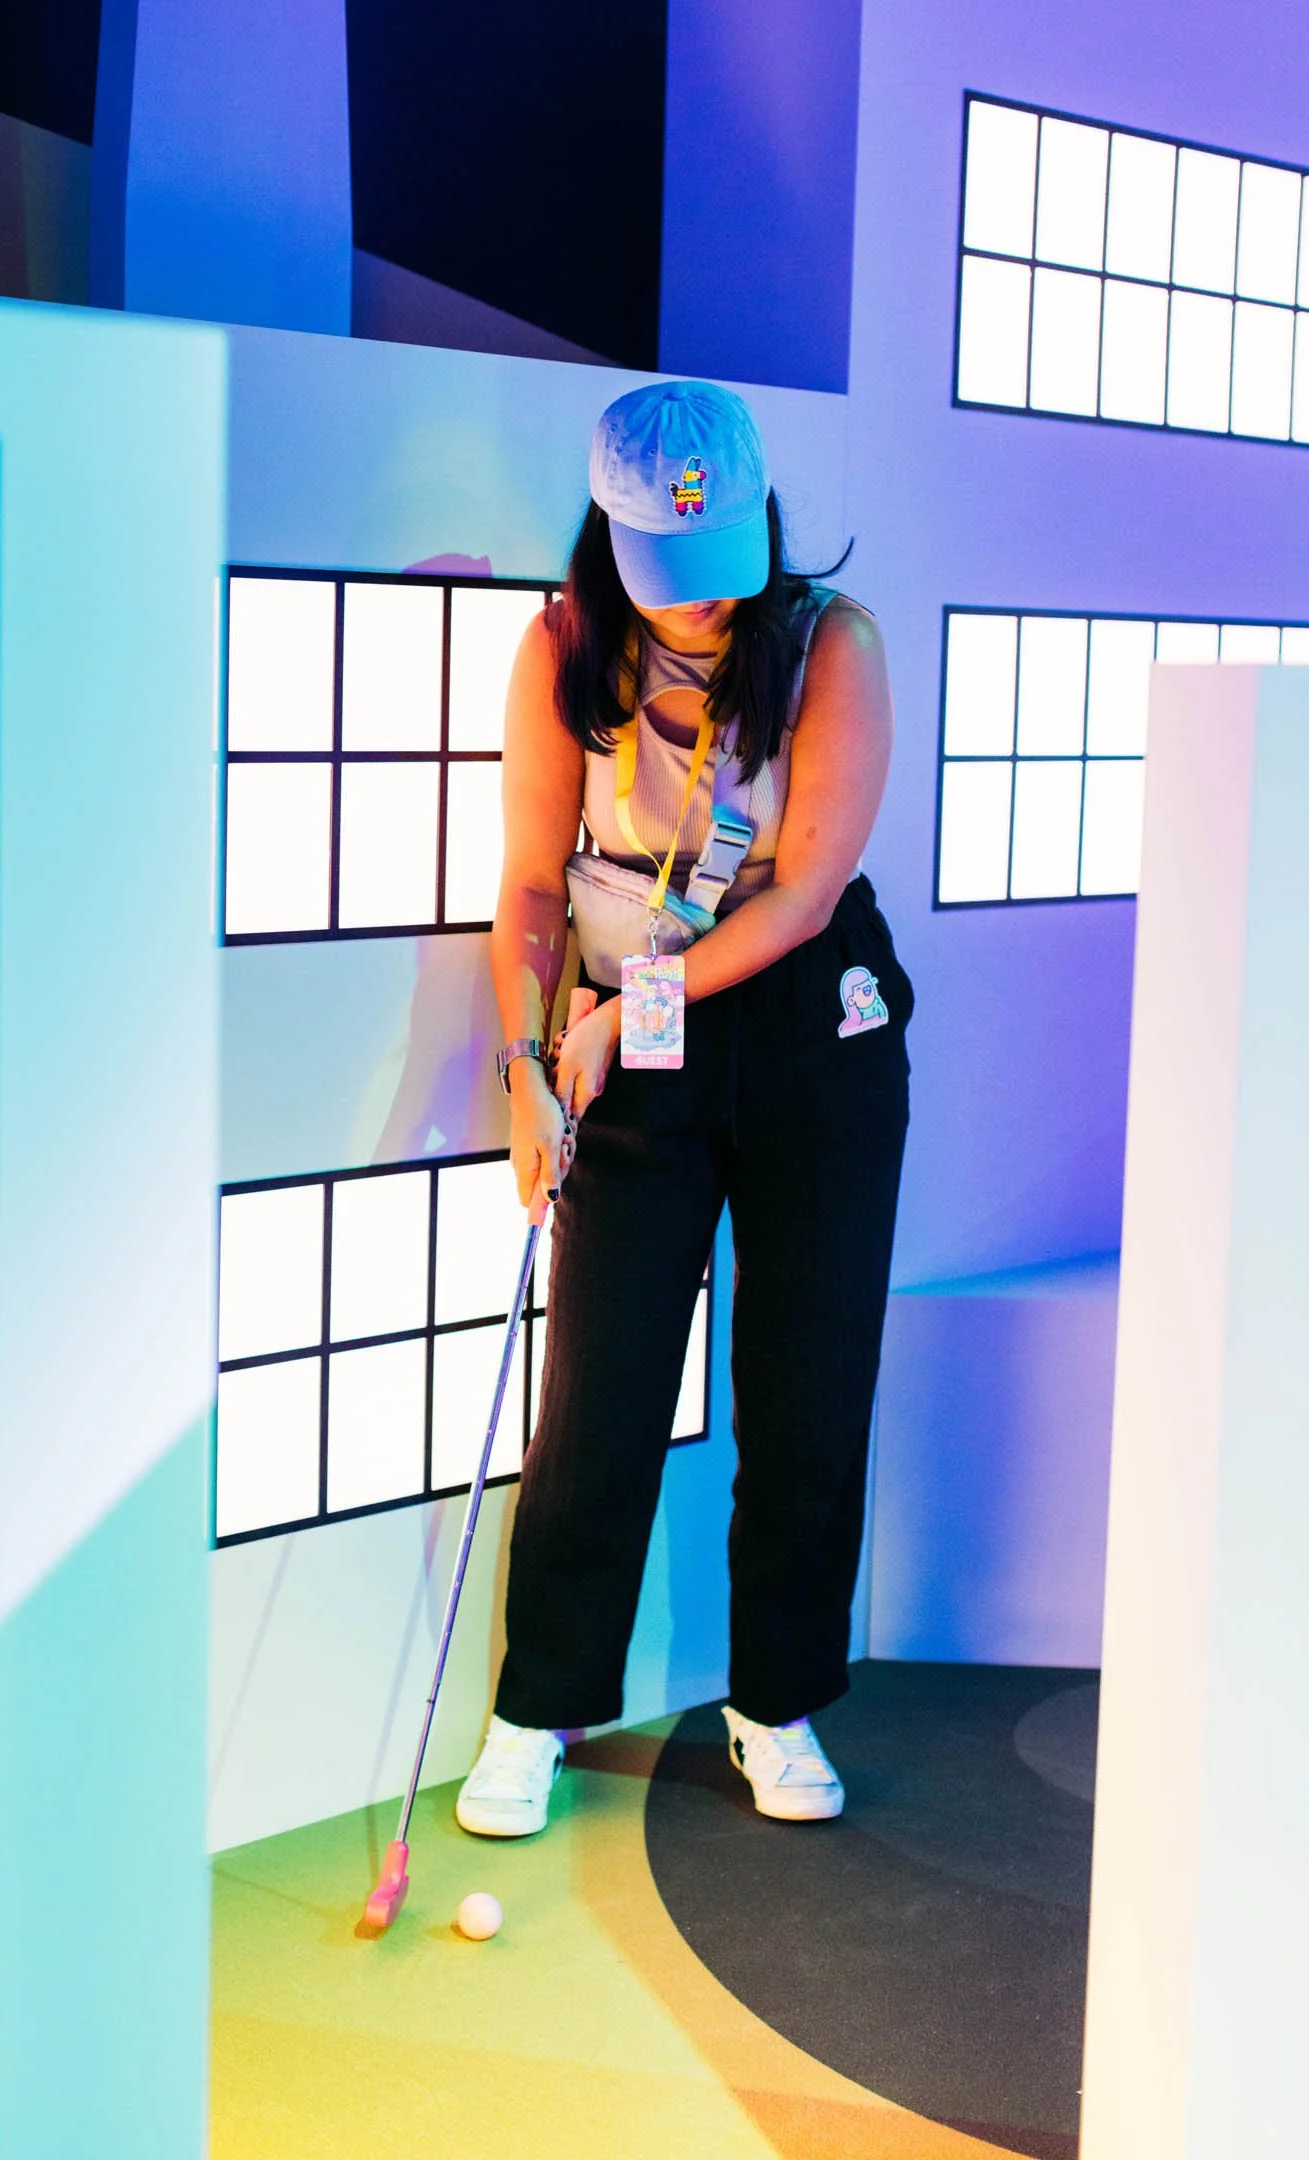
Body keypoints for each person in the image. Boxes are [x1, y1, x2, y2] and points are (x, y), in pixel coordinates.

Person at [456, 380, 913, 1837]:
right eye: (669, 573)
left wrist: (615, 1021)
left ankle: (772, 1704)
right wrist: (532, 1065)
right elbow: (533, 881)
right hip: (615, 1023)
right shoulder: (563, 645)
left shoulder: (831, 646)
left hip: (799, 1027)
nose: (702, 611)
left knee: (806, 1377)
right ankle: (540, 1708)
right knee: (600, 1380)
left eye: (723, 577)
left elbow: (806, 894)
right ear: (609, 533)